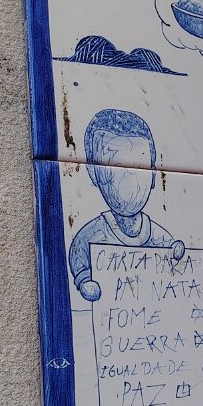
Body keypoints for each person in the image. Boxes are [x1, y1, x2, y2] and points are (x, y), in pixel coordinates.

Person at [68, 109, 184, 301]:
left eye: (139, 167)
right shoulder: (95, 232)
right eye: (116, 168)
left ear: (153, 175)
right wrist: (85, 280)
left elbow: (169, 249)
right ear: (93, 173)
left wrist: (174, 250)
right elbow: (79, 252)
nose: (129, 178)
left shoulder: (152, 231)